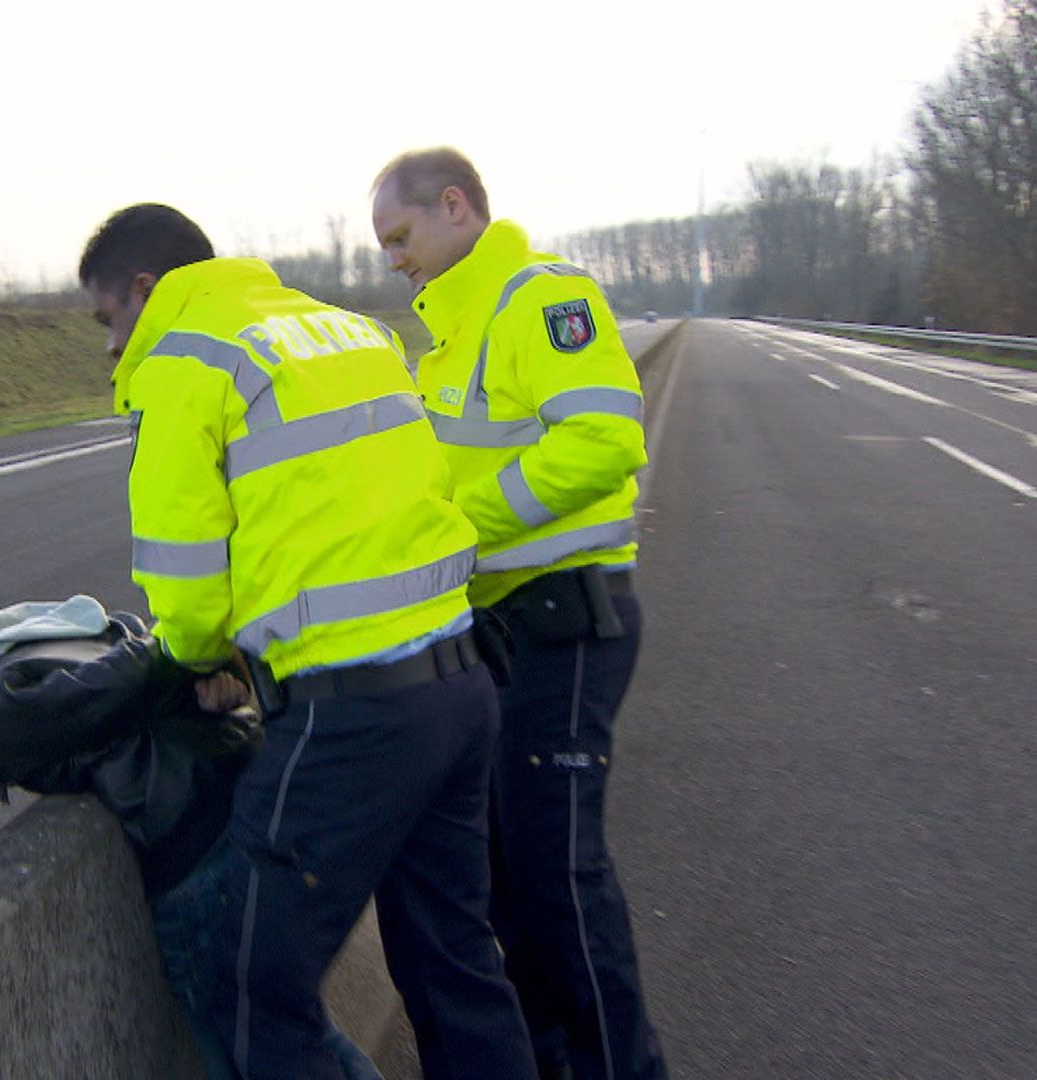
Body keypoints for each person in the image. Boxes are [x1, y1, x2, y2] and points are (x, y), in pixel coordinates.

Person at [78, 203, 536, 1080]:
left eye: (108, 320)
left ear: (146, 289)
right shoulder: (348, 331)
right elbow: (393, 497)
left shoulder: (185, 360)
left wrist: (207, 655)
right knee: (455, 965)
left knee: (249, 984)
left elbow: (184, 581)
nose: (109, 347)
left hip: (350, 722)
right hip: (460, 682)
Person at [369, 148, 667, 1080]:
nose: (392, 260)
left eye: (401, 236)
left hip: (564, 624)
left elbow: (606, 440)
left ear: (454, 208)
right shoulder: (450, 338)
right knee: (507, 886)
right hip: (506, 636)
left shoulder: (538, 299)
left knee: (558, 879)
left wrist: (460, 526)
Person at [0, 596, 382, 1080]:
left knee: (251, 1043)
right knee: (286, 1027)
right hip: (235, 799)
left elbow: (122, 676)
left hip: (193, 852)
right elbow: (119, 641)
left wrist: (184, 665)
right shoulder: (4, 647)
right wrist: (194, 687)